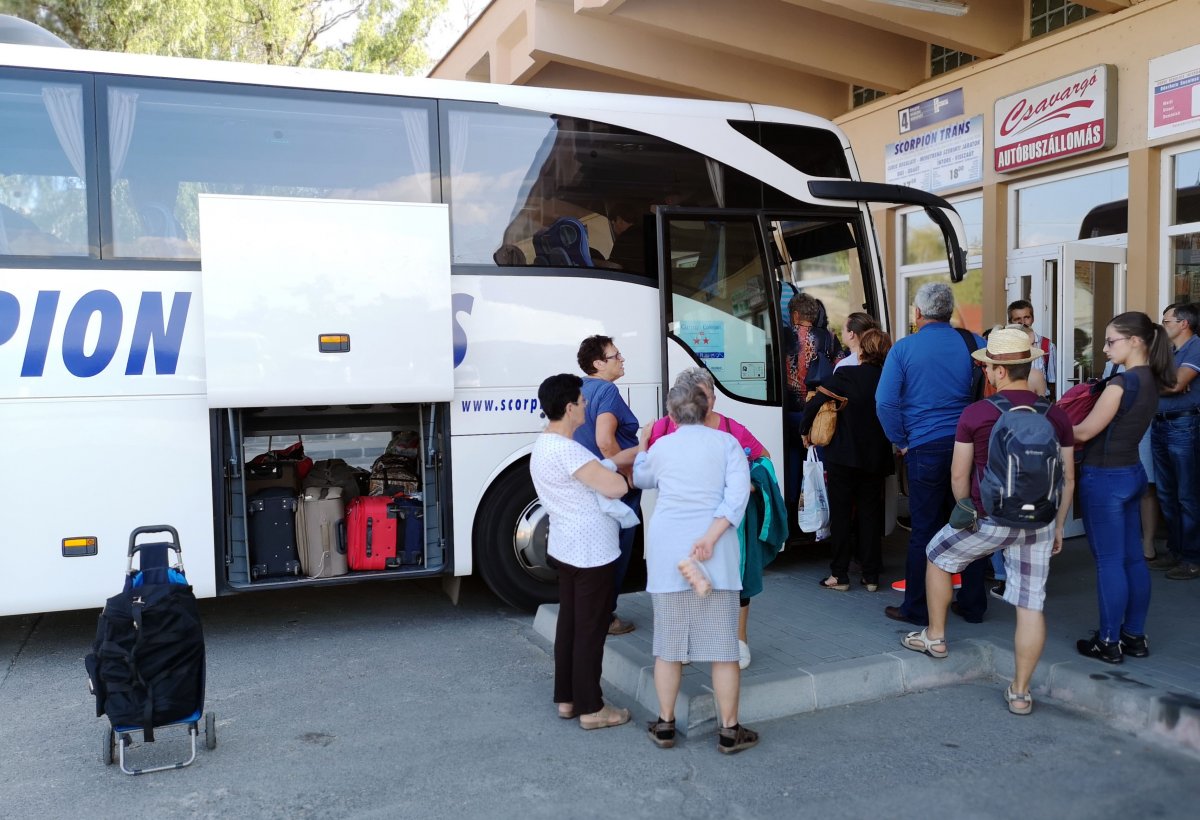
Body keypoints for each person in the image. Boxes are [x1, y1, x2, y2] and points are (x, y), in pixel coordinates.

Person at [899, 328, 1075, 715]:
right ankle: (1021, 693)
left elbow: (958, 474)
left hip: (989, 517)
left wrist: (966, 508)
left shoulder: (977, 413)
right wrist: (1059, 524)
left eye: (987, 367)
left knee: (936, 555)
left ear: (998, 371)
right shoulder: (1056, 415)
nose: (986, 373)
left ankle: (935, 637)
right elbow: (1068, 478)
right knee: (1030, 603)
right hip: (1040, 521)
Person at [633, 382, 757, 754]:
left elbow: (641, 478)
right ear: (707, 409)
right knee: (724, 650)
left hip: (670, 554)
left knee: (668, 647)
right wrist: (710, 536)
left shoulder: (662, 447)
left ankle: (665, 724)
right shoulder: (727, 444)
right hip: (715, 555)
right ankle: (729, 730)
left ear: (671, 414)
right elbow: (738, 495)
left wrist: (642, 444)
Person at [646, 367, 774, 670]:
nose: (709, 401)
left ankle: (738, 640)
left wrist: (750, 482)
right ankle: (684, 642)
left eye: (711, 395)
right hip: (678, 524)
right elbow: (650, 472)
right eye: (702, 395)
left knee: (735, 582)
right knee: (680, 585)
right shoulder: (663, 429)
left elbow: (763, 457)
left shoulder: (730, 428)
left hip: (726, 524)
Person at [876, 282, 988, 627]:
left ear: (918, 313)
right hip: (969, 444)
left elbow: (885, 402)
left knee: (924, 529)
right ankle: (973, 605)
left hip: (924, 445)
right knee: (970, 522)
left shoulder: (904, 349)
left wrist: (901, 440)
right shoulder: (975, 343)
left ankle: (917, 608)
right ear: (949, 311)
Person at [529, 373, 634, 729]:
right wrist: (625, 477)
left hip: (566, 547)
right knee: (590, 631)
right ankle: (592, 708)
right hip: (591, 551)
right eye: (582, 400)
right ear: (570, 407)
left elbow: (595, 471)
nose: (586, 404)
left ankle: (567, 698)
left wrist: (638, 449)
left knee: (571, 626)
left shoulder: (544, 444)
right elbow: (615, 487)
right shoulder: (568, 450)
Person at [1072, 312, 1176, 663]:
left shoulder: (1121, 383)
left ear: (1135, 341)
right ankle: (1133, 636)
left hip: (1105, 478)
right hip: (1132, 473)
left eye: (1110, 341)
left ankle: (1108, 641)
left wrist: (1046, 423)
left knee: (1110, 563)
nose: (1104, 349)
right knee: (1133, 559)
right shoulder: (1151, 379)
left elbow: (1084, 432)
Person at [800, 324, 894, 592]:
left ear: (862, 350)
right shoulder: (888, 378)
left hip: (843, 456)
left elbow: (815, 402)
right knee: (870, 515)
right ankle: (871, 576)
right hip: (875, 458)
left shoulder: (847, 375)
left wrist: (805, 430)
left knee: (841, 515)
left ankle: (839, 575)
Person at [574, 335, 641, 635]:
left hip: (588, 484)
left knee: (592, 554)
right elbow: (604, 440)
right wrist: (625, 472)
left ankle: (588, 612)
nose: (622, 359)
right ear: (598, 364)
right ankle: (604, 617)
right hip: (613, 487)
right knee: (615, 553)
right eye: (616, 356)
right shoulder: (607, 391)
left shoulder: (579, 389)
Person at [1148, 302, 1200, 580]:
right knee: (1167, 493)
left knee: (1187, 495)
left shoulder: (1196, 347)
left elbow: (1175, 384)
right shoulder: (1168, 351)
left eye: (1166, 321)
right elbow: (1164, 382)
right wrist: (1168, 383)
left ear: (1184, 324)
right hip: (1160, 424)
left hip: (1184, 425)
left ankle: (1192, 558)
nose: (1162, 325)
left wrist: (1171, 383)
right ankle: (1176, 551)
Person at [783, 292, 838, 536]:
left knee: (793, 459)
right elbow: (838, 370)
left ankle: (793, 515)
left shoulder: (783, 336)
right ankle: (819, 516)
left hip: (790, 413)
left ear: (795, 315)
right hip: (818, 414)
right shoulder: (829, 338)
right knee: (816, 463)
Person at [1008, 299, 1057, 394]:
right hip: (1013, 399)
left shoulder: (1047, 346)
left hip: (1039, 399)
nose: (1023, 322)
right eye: (1017, 319)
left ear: (1033, 319)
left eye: (1026, 317)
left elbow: (1052, 383)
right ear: (1010, 322)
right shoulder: (1005, 346)